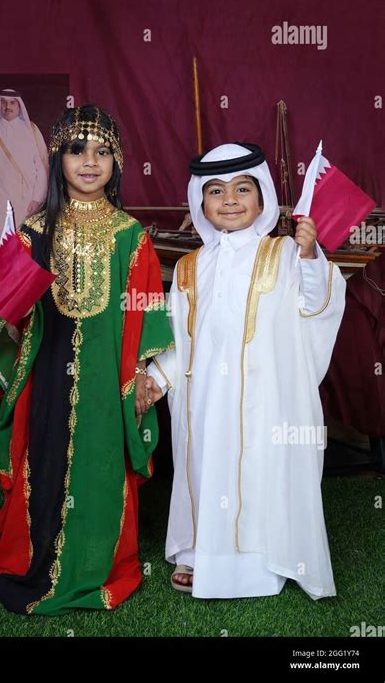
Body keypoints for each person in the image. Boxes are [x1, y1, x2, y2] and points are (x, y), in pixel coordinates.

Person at [0, 105, 174, 614]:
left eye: (102, 151)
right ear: (57, 159)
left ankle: (97, 567)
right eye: (77, 150)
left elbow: (145, 311)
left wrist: (139, 375)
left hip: (105, 376)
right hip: (46, 372)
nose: (90, 161)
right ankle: (39, 558)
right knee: (44, 457)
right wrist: (8, 316)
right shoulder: (33, 232)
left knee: (101, 463)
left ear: (117, 162)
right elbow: (14, 319)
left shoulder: (130, 237)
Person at [144, 142, 346, 601]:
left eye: (241, 188)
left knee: (260, 470)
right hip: (207, 402)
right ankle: (200, 553)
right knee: (205, 466)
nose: (229, 200)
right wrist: (158, 378)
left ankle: (262, 560)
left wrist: (311, 256)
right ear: (201, 202)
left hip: (264, 400)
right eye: (215, 190)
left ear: (262, 199)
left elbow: (317, 304)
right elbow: (181, 336)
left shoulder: (284, 253)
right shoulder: (190, 267)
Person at [0, 89, 48, 255]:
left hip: (25, 198)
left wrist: (37, 198)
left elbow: (42, 167)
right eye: (3, 102)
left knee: (24, 244)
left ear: (19, 105)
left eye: (12, 102)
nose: (8, 106)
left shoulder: (32, 130)